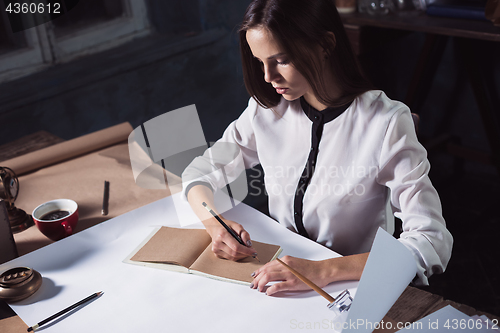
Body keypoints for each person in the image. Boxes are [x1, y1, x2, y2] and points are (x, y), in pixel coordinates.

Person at [182, 0, 453, 296]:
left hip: (353, 285)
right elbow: (200, 172)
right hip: (277, 275)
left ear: (325, 45)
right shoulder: (266, 112)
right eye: (260, 62)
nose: (268, 77)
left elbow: (431, 240)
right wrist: (215, 225)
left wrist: (322, 271)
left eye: (281, 60)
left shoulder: (385, 122)